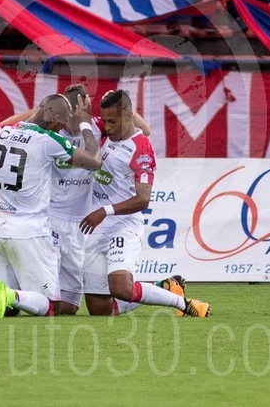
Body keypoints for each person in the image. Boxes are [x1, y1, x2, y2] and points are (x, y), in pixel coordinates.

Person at [0, 84, 179, 316]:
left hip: (81, 224)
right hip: (49, 220)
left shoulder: (96, 126)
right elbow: (4, 125)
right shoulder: (51, 130)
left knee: (70, 309)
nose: (68, 122)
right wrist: (44, 107)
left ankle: (161, 288)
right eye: (66, 115)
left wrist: (122, 105)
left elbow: (144, 130)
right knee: (44, 297)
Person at [0, 93, 102, 318]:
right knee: (50, 307)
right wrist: (85, 122)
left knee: (7, 310)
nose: (62, 129)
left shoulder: (3, 132)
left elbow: (28, 120)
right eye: (61, 123)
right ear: (54, 119)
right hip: (29, 231)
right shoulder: (48, 141)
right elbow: (94, 161)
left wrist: (46, 107)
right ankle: (9, 295)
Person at [79, 90, 211, 318]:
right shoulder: (107, 132)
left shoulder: (141, 148)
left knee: (121, 288)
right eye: (105, 121)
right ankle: (163, 286)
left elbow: (142, 199)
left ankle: (183, 304)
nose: (107, 127)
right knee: (100, 311)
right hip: (96, 228)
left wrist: (104, 211)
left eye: (113, 121)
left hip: (122, 226)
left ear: (128, 114)